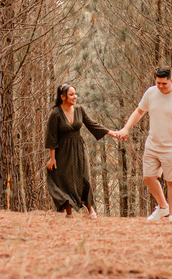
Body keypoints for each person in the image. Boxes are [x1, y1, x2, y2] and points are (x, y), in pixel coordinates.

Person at [112, 67, 172, 221]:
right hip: (153, 143)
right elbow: (139, 111)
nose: (161, 86)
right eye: (158, 83)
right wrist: (126, 128)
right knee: (148, 177)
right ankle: (163, 207)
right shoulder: (151, 93)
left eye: (164, 83)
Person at [46, 84, 121, 218]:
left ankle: (90, 208)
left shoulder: (79, 109)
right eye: (71, 94)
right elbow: (52, 137)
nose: (75, 97)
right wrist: (52, 158)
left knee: (84, 177)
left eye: (75, 94)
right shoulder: (55, 113)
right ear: (62, 97)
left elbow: (92, 125)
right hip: (62, 151)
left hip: (79, 148)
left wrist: (113, 133)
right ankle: (68, 212)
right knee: (64, 179)